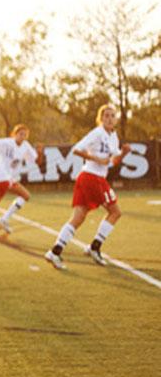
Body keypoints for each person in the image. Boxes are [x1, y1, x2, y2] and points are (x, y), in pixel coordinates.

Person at [44, 104, 130, 269]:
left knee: (79, 217)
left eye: (113, 115)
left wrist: (124, 152)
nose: (110, 118)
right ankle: (94, 247)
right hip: (91, 177)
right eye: (106, 116)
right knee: (115, 212)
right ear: (100, 118)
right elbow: (76, 150)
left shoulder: (114, 136)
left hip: (91, 178)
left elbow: (113, 161)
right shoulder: (97, 133)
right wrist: (96, 159)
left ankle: (55, 252)